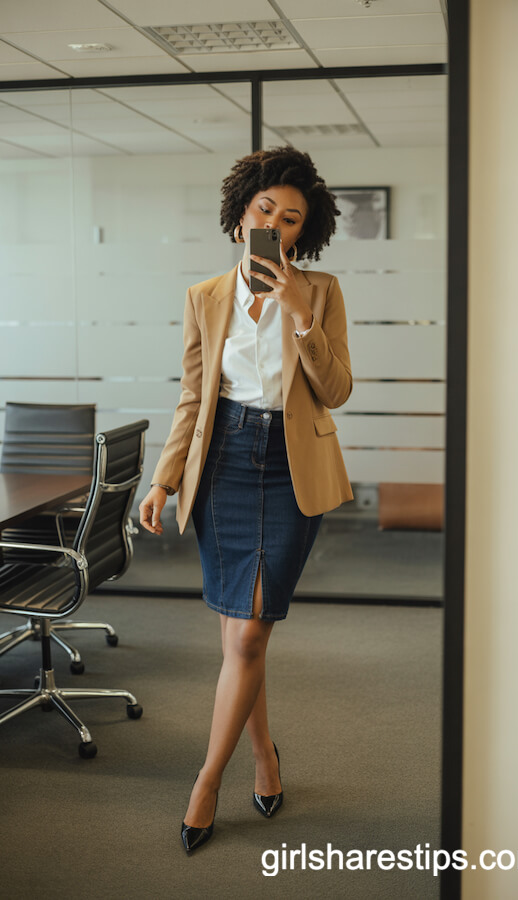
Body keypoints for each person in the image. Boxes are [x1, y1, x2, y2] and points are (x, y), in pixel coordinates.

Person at [138, 146, 353, 853]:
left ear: (303, 232)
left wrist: (299, 314)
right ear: (241, 218)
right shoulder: (206, 297)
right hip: (223, 459)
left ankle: (206, 780)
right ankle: (262, 758)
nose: (277, 225)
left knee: (251, 630)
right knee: (241, 634)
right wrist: (164, 479)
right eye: (266, 211)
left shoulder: (320, 291)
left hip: (289, 469)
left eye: (291, 219)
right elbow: (194, 397)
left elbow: (337, 389)